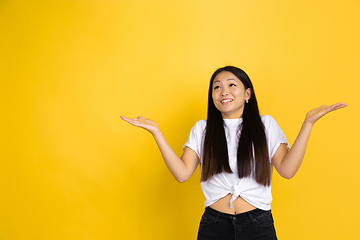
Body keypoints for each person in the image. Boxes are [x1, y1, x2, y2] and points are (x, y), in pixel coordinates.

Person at [121, 66, 347, 240]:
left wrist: (308, 124)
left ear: (247, 94)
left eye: (231, 85)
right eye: (217, 87)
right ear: (212, 96)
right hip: (213, 226)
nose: (223, 91)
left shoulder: (265, 125)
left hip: (258, 224)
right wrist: (156, 132)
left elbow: (287, 170)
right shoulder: (203, 129)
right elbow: (182, 174)